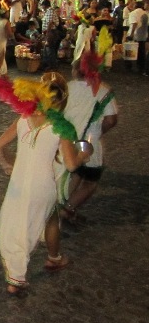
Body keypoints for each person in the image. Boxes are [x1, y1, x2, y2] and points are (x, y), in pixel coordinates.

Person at [0, 73, 90, 296]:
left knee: (15, 225)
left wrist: (7, 166)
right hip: (43, 185)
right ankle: (20, 276)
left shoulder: (23, 119)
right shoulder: (63, 127)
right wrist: (85, 153)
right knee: (32, 224)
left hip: (18, 184)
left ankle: (32, 267)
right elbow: (72, 165)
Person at [57, 58, 118, 223]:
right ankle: (67, 209)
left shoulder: (66, 88)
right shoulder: (103, 91)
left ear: (76, 71)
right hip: (89, 143)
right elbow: (111, 119)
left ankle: (62, 206)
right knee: (90, 180)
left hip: (66, 141)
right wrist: (98, 131)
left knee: (74, 174)